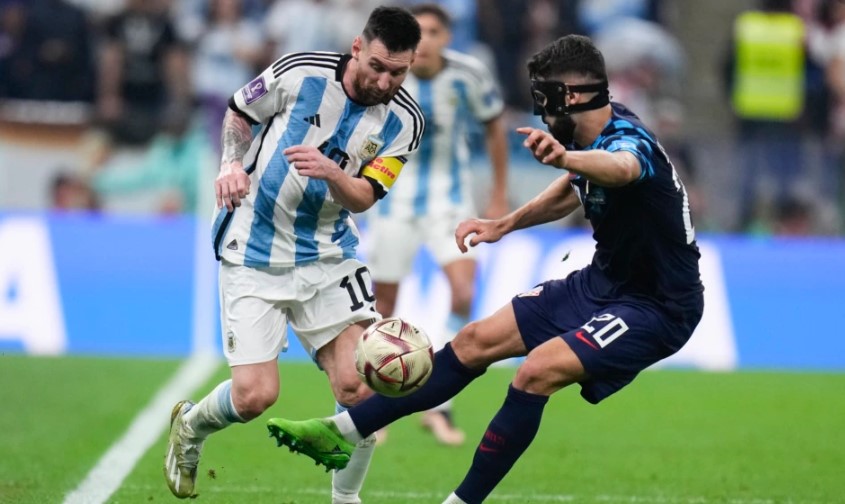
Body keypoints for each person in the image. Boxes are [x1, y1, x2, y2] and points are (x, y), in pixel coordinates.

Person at [266, 34, 705, 504]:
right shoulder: (588, 141)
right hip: (601, 283)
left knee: (536, 370)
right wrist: (505, 223)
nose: (541, 109)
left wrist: (568, 158)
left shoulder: (627, 141)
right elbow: (570, 188)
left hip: (658, 305)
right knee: (474, 341)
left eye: (546, 97)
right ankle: (342, 432)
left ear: (572, 97)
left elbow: (621, 169)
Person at [163, 7, 423, 503]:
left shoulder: (406, 121)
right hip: (254, 247)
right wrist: (230, 165)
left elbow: (365, 196)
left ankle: (345, 498)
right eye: (378, 66)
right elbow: (240, 109)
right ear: (357, 48)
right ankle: (190, 427)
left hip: (328, 253)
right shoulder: (298, 69)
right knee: (255, 396)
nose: (385, 80)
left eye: (399, 71)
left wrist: (333, 173)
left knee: (362, 386)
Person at [366, 3, 508, 446]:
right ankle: (377, 407)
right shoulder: (388, 74)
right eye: (418, 33)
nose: (424, 41)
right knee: (382, 305)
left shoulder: (469, 74)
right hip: (392, 202)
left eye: (433, 32)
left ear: (447, 37)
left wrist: (499, 191)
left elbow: (493, 126)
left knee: (465, 292)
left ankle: (438, 405)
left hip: (450, 203)